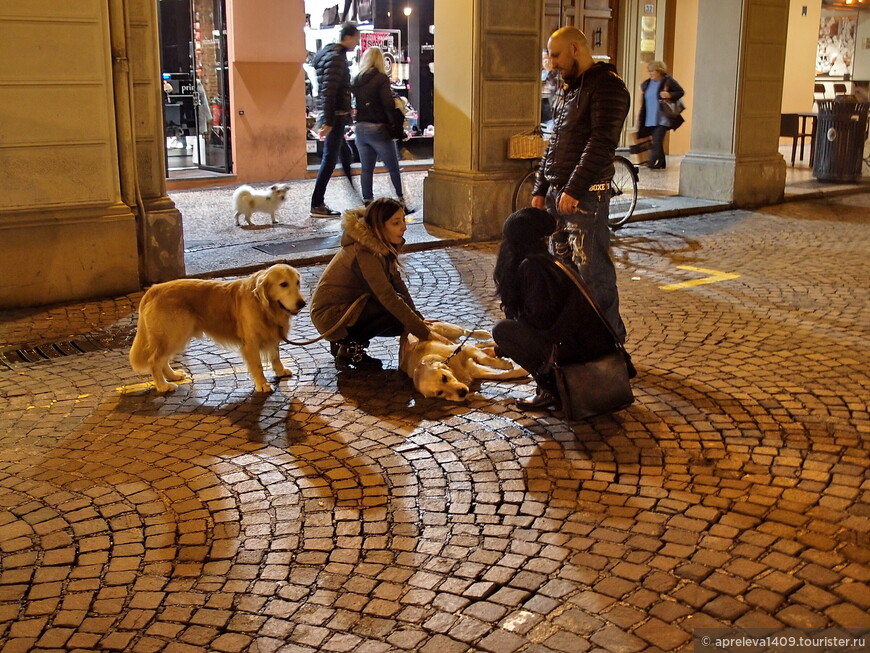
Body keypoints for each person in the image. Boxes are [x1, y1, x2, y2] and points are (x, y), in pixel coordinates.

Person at [530, 26, 630, 343]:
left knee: (592, 271)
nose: (552, 62)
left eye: (556, 54)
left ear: (575, 48)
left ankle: (610, 342)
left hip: (586, 195)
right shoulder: (570, 89)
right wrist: (540, 189)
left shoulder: (607, 87)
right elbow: (555, 143)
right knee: (564, 270)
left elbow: (601, 144)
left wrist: (573, 189)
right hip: (560, 194)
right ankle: (576, 337)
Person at [492, 208, 620, 411]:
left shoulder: (534, 268)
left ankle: (551, 389)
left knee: (503, 330)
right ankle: (550, 386)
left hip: (579, 349)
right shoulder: (544, 261)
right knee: (508, 331)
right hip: (583, 343)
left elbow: (541, 323)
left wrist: (511, 343)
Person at [310, 198, 448, 369]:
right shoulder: (364, 251)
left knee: (403, 319)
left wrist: (419, 320)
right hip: (331, 317)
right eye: (396, 223)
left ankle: (345, 343)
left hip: (346, 309)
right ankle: (349, 349)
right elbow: (388, 297)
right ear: (378, 226)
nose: (404, 227)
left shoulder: (381, 245)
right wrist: (424, 333)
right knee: (394, 313)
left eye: (403, 220)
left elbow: (397, 283)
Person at [352, 47, 412, 212]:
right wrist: (395, 110)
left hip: (360, 128)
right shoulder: (381, 78)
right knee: (392, 167)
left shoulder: (356, 79)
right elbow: (387, 103)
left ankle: (368, 202)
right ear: (380, 60)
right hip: (378, 128)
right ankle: (401, 201)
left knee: (366, 169)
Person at [310, 22, 360, 218]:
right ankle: (316, 204)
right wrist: (328, 121)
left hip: (336, 115)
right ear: (348, 37)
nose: (356, 44)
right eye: (356, 40)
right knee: (329, 160)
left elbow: (327, 91)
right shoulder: (336, 59)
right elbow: (329, 92)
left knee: (345, 155)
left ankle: (357, 196)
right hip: (335, 117)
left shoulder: (330, 55)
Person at [638, 61, 684, 170]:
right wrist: (641, 117)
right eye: (649, 71)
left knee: (657, 141)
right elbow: (644, 102)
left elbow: (680, 92)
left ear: (659, 71)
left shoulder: (667, 81)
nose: (650, 73)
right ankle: (662, 162)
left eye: (652, 71)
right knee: (656, 141)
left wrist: (669, 94)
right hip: (650, 118)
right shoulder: (647, 84)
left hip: (663, 118)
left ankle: (651, 163)